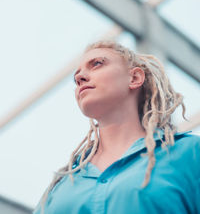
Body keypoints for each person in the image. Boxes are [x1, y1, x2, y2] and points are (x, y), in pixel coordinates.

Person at [33, 40, 200, 214]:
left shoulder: (191, 153)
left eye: (97, 64)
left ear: (134, 78)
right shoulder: (60, 185)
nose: (80, 77)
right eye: (76, 78)